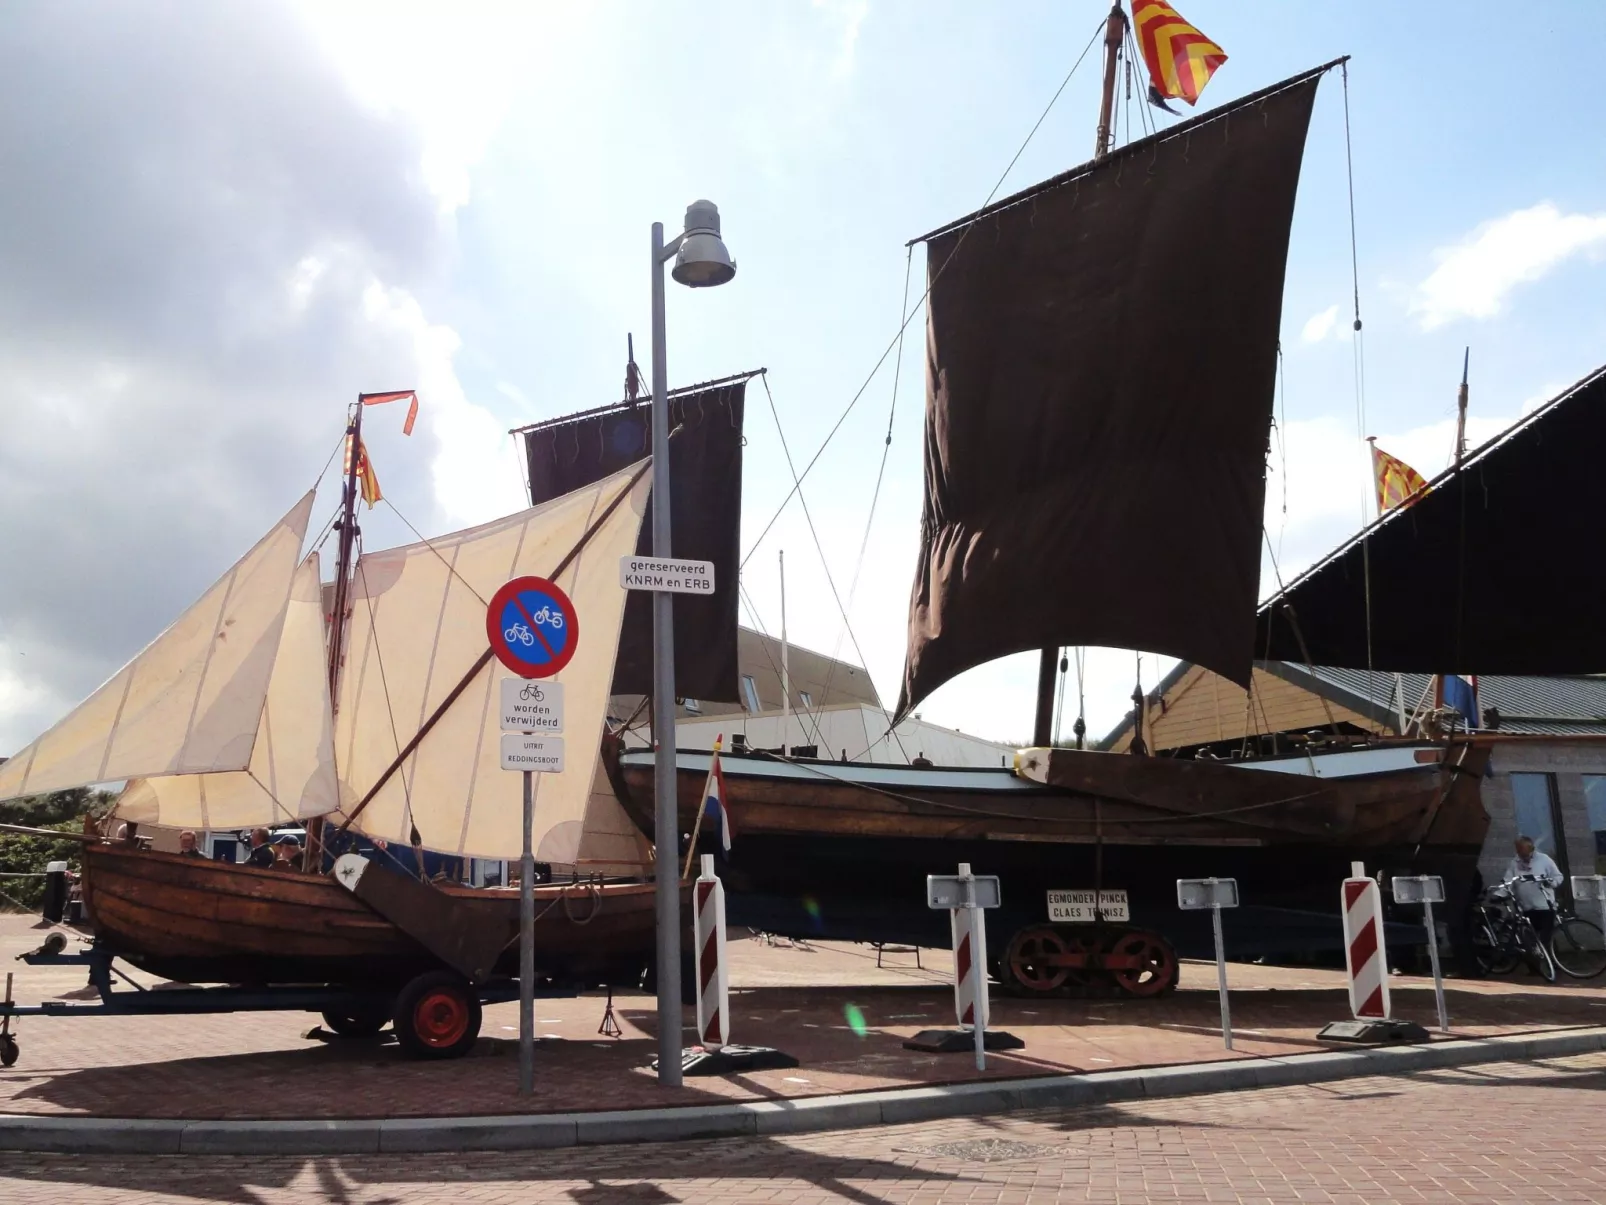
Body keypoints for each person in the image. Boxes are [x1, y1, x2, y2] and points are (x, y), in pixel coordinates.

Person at [1505, 834, 1564, 941]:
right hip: (1526, 907)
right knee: (1530, 938)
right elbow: (1508, 881)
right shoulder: (1515, 862)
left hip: (1545, 906)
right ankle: (1534, 956)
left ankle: (1549, 955)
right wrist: (1500, 894)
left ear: (1531, 849)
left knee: (1545, 937)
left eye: (1524, 853)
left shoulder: (1544, 859)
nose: (1522, 856)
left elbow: (1558, 876)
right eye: (1519, 851)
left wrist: (1550, 883)